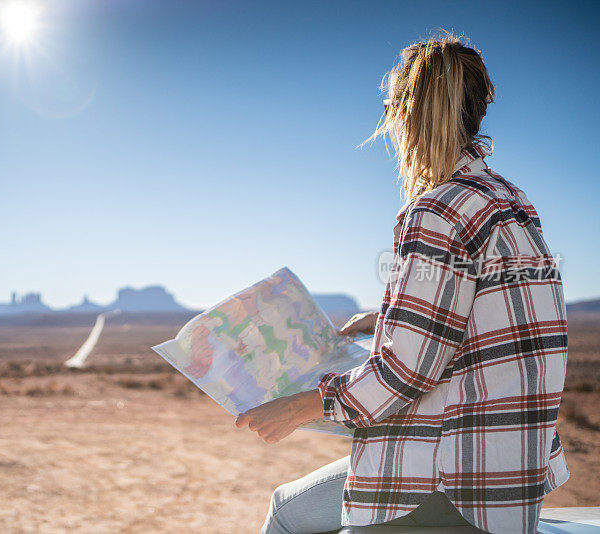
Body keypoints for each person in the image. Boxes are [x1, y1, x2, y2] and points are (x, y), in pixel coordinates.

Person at [234, 32, 569, 534]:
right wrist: (387, 316)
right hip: (514, 469)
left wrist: (304, 406)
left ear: (409, 114)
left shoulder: (436, 210)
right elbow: (488, 309)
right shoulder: (510, 201)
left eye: (390, 106)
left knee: (288, 511)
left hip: (450, 474)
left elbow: (407, 370)